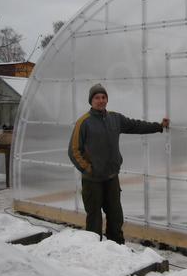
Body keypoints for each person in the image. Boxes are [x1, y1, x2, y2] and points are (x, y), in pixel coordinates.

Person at [68, 83, 169, 244]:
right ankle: (94, 250)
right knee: (94, 218)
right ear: (91, 101)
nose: (101, 100)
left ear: (107, 99)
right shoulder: (84, 122)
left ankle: (117, 247)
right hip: (93, 180)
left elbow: (136, 125)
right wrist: (88, 169)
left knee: (115, 215)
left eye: (103, 97)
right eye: (97, 98)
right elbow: (73, 151)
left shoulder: (115, 118)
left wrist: (158, 126)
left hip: (111, 177)